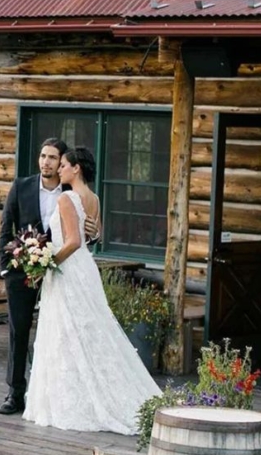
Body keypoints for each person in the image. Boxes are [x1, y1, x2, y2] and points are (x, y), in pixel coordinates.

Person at [22, 147, 161, 434]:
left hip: (69, 269)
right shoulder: (94, 199)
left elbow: (72, 241)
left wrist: (48, 263)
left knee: (66, 332)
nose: (58, 169)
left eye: (63, 165)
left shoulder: (66, 198)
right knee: (90, 329)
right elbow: (94, 235)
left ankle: (77, 399)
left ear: (76, 169)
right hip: (86, 268)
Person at [0, 137, 99, 415]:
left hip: (60, 272)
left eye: (53, 158)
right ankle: (15, 392)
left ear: (64, 162)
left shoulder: (72, 192)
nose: (46, 162)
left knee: (59, 333)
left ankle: (55, 394)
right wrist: (7, 267)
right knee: (19, 330)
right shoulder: (21, 186)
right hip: (23, 271)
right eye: (43, 156)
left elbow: (84, 236)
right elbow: (6, 228)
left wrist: (95, 234)